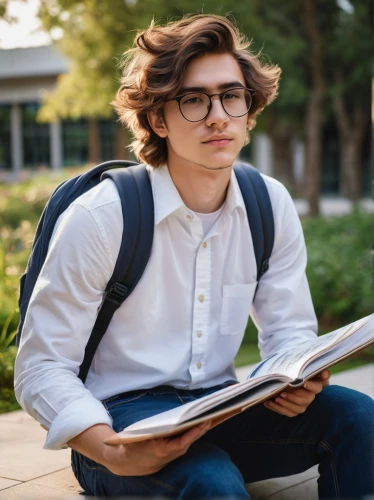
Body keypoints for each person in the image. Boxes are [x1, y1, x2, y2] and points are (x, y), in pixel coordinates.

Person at [14, 14, 373, 499]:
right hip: (121, 422)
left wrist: (296, 377)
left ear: (249, 110)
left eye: (231, 95)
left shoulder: (269, 202)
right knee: (210, 481)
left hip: (220, 407)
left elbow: (287, 329)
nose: (218, 115)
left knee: (360, 418)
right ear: (158, 119)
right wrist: (113, 450)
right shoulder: (102, 216)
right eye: (193, 100)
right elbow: (40, 366)